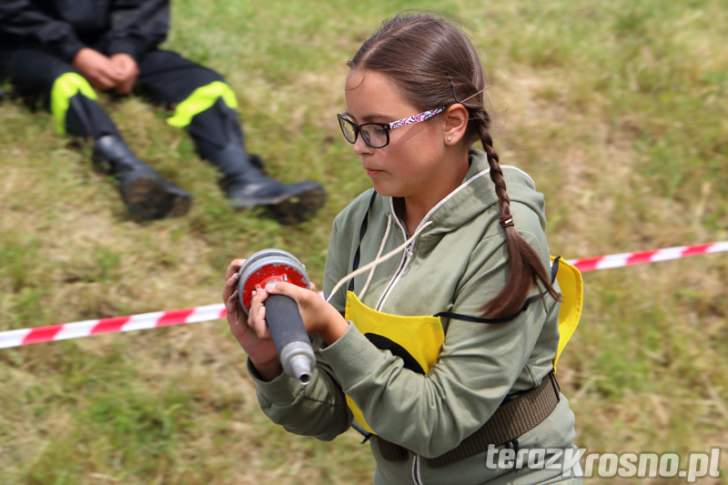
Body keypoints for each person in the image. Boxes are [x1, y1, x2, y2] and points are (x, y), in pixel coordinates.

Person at [223, 13, 581, 484]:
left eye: (380, 128)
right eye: (354, 127)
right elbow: (330, 413)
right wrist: (273, 360)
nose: (361, 147)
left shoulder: (505, 239)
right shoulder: (356, 223)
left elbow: (438, 423)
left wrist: (332, 329)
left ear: (452, 123)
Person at [0, 0, 326, 224]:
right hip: (26, 46)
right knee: (66, 84)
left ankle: (244, 179)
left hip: (110, 46)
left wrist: (124, 52)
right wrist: (75, 52)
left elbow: (145, 8)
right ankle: (129, 173)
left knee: (206, 85)